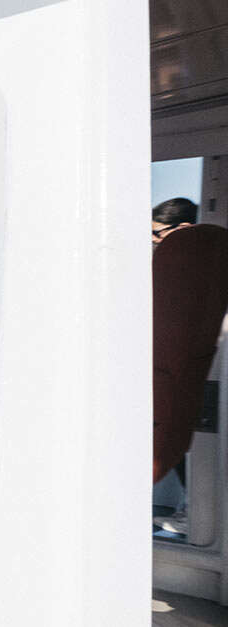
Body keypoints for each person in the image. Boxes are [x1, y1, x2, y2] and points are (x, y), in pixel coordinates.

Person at [152, 198, 228, 535]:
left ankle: (192, 510)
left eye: (158, 233)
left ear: (183, 229)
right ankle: (191, 508)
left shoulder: (185, 273)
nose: (155, 240)